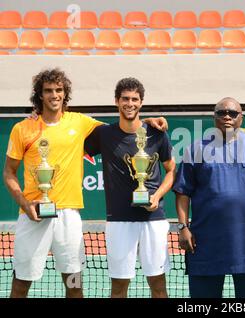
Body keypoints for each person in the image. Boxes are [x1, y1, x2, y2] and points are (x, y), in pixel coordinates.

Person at [3, 68, 167, 298]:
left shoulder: (79, 122)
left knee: (74, 283)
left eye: (59, 90)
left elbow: (125, 127)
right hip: (33, 215)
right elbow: (9, 172)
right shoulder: (22, 129)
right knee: (21, 283)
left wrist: (147, 121)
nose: (54, 95)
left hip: (69, 217)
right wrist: (25, 202)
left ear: (65, 93)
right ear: (40, 95)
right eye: (48, 91)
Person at [172, 97, 245, 298]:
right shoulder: (196, 149)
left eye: (232, 113)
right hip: (205, 242)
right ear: (214, 117)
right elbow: (183, 192)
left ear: (241, 117)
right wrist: (183, 227)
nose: (227, 117)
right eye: (221, 113)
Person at [84, 77, 175, 298]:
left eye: (135, 99)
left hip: (153, 220)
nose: (130, 103)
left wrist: (157, 196)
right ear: (116, 101)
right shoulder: (103, 134)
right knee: (119, 287)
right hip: (119, 220)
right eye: (125, 99)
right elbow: (71, 145)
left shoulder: (157, 133)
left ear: (141, 103)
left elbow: (171, 170)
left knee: (158, 285)